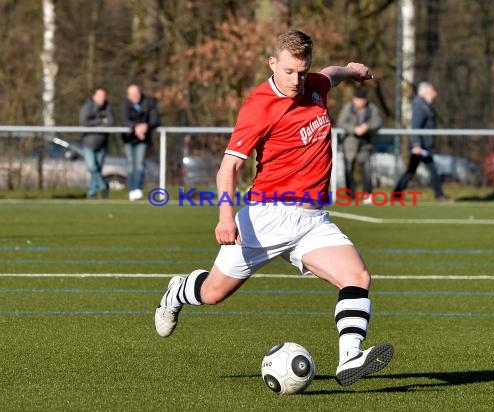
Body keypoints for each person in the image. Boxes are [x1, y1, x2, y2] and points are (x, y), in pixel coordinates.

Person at [154, 29, 393, 387]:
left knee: (357, 278)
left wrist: (350, 69)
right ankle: (178, 290)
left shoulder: (314, 85)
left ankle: (349, 358)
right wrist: (223, 216)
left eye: (302, 70)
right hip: (266, 217)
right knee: (213, 294)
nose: (296, 80)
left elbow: (330, 75)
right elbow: (228, 168)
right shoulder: (258, 106)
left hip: (311, 219)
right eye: (288, 72)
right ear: (272, 63)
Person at [394, 82, 445, 200]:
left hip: (425, 146)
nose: (435, 94)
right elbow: (415, 126)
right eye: (433, 91)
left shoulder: (427, 105)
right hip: (420, 147)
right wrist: (416, 145)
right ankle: (439, 195)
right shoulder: (420, 106)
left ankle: (397, 193)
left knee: (416, 170)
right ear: (426, 92)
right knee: (422, 170)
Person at [337, 87, 382, 197]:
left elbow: (378, 122)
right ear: (354, 99)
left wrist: (367, 126)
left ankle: (367, 194)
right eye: (359, 99)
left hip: (365, 143)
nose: (361, 102)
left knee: (367, 168)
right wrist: (354, 129)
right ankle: (350, 195)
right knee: (348, 168)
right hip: (350, 143)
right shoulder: (348, 108)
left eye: (363, 99)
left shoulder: (371, 108)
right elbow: (341, 123)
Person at [121, 83, 160, 201]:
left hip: (143, 139)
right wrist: (136, 128)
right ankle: (131, 189)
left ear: (140, 93)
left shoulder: (149, 102)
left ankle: (138, 189)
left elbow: (155, 120)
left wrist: (145, 126)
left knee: (139, 164)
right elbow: (124, 120)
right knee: (130, 165)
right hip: (128, 139)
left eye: (136, 93)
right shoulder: (125, 104)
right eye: (131, 94)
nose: (134, 96)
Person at [79, 86, 114, 199]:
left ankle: (91, 192)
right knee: (92, 167)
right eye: (100, 95)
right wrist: (100, 121)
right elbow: (84, 122)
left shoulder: (108, 107)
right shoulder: (87, 107)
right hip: (89, 143)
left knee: (97, 168)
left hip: (102, 143)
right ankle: (103, 185)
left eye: (104, 96)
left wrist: (98, 122)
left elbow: (111, 122)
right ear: (94, 96)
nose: (102, 98)